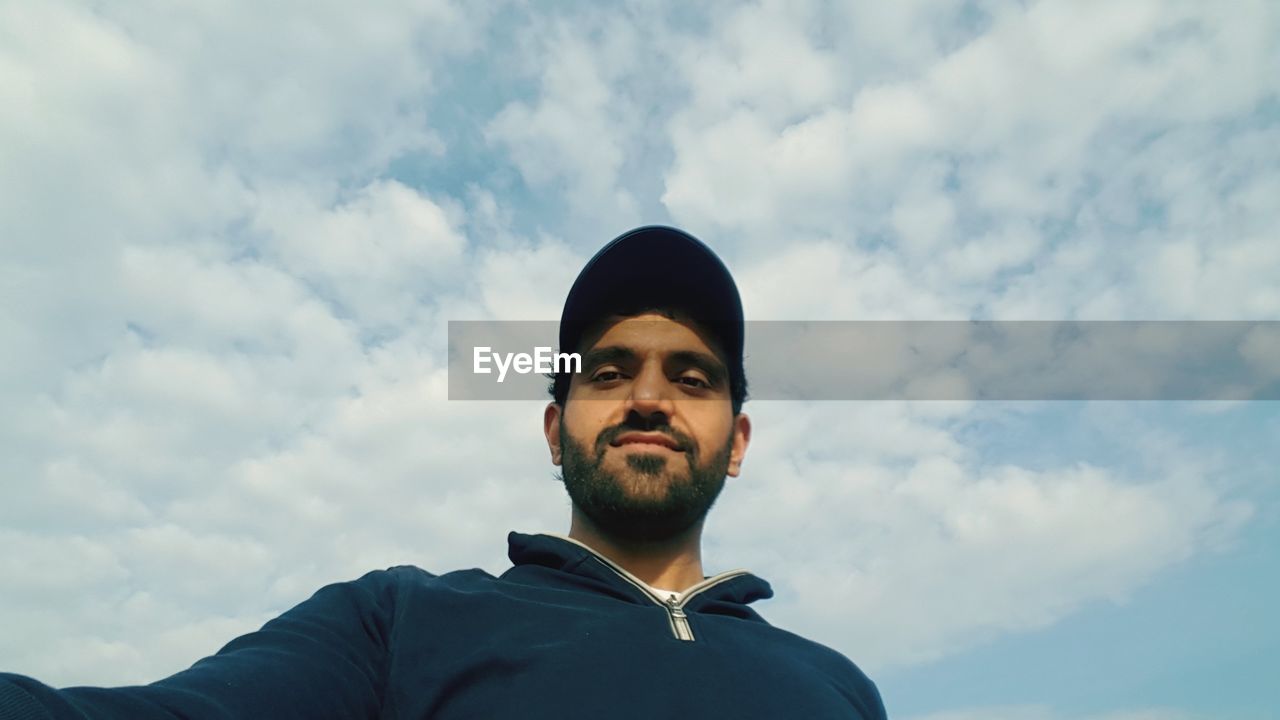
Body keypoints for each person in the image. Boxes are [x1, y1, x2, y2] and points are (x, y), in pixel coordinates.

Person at [1, 226, 888, 719]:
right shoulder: (398, 622)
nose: (648, 398)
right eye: (608, 373)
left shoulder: (843, 690)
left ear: (736, 440)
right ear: (554, 429)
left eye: (689, 378)